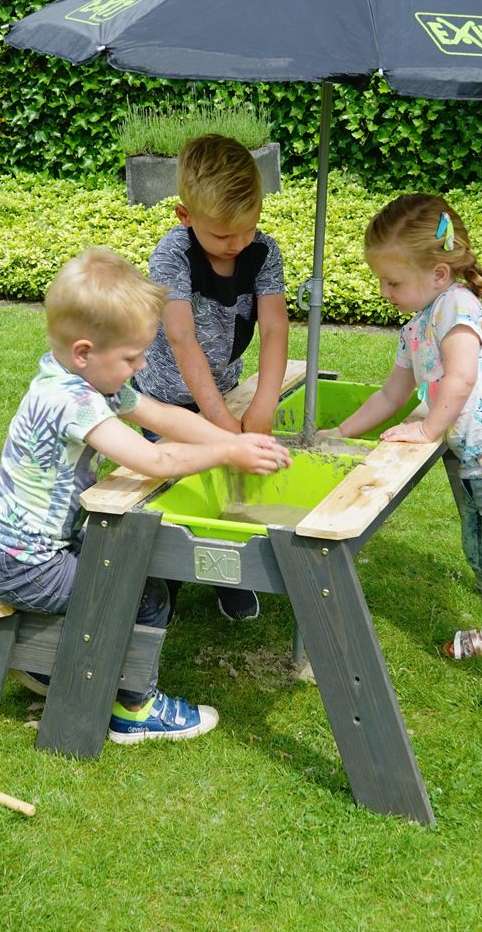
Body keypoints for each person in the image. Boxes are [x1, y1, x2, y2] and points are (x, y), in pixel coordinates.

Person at [0, 246, 292, 742]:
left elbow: (163, 418)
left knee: (121, 558)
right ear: (85, 351)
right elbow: (155, 459)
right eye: (131, 357)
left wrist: (234, 439)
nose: (141, 364)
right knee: (142, 594)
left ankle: (50, 665)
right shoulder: (73, 400)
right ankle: (133, 710)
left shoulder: (77, 378)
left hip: (15, 550)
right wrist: (229, 455)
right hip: (25, 565)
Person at [327, 194, 482, 707]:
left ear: (438, 273)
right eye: (382, 281)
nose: (385, 292)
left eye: (392, 282)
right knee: (480, 556)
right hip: (474, 460)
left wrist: (427, 430)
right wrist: (340, 433)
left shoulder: (457, 308)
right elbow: (393, 394)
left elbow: (460, 378)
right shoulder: (417, 323)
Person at [132, 133, 289, 621]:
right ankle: (170, 577)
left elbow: (275, 328)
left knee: (226, 480)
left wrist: (263, 401)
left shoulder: (263, 253)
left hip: (225, 387)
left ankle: (227, 573)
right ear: (185, 216)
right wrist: (219, 419)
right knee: (179, 489)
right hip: (167, 399)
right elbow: (181, 339)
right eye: (222, 236)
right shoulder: (172, 255)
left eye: (246, 229)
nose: (236, 244)